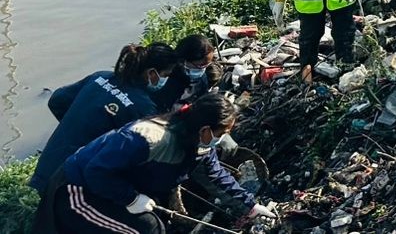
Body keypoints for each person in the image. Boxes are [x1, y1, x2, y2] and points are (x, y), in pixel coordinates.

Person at [36, 94, 274, 233]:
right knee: (146, 229)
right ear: (205, 129)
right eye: (222, 132)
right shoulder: (147, 138)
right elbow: (96, 171)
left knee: (157, 226)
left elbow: (215, 176)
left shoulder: (200, 145)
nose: (221, 139)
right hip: (76, 190)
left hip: (114, 187)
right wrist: (130, 198)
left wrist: (250, 207)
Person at [29, 43, 178, 193]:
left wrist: (77, 122)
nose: (165, 80)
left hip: (45, 170)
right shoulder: (142, 107)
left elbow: (57, 100)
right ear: (152, 73)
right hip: (72, 182)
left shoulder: (99, 77)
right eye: (165, 75)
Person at [151, 35, 221, 112]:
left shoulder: (201, 79)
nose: (202, 69)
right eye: (200, 65)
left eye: (206, 65)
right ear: (183, 61)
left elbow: (201, 98)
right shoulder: (166, 77)